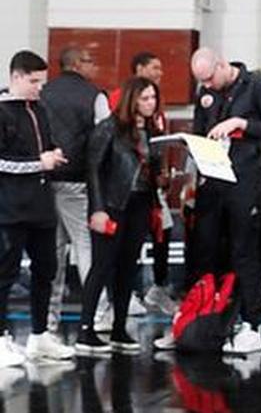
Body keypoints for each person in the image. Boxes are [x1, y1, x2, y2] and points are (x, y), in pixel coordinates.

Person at [186, 48, 261, 355]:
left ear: (223, 65)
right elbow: (199, 132)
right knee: (206, 251)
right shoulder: (207, 93)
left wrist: (241, 123)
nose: (209, 86)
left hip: (244, 180)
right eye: (203, 82)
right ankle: (201, 318)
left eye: (211, 78)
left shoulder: (256, 85)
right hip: (212, 182)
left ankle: (252, 323)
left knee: (244, 252)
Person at [74, 77, 162, 357]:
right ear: (132, 99)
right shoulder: (109, 128)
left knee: (128, 266)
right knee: (102, 265)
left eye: (153, 98)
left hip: (140, 202)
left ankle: (119, 327)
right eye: (145, 98)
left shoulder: (150, 129)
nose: (151, 103)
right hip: (112, 204)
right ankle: (85, 330)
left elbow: (149, 168)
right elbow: (94, 170)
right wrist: (98, 209)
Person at [0, 51, 73, 370]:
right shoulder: (2, 112)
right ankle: (1, 339)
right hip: (9, 208)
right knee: (5, 273)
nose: (39, 88)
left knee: (47, 269)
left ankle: (40, 334)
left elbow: (45, 147)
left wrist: (52, 154)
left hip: (42, 206)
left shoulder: (39, 110)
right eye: (33, 81)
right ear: (15, 77)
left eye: (41, 81)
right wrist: (37, 163)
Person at [40, 43, 111, 336]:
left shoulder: (42, 93)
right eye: (90, 61)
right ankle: (99, 314)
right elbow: (106, 141)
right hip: (78, 182)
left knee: (51, 255)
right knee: (86, 249)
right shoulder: (95, 97)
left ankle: (47, 319)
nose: (95, 66)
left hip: (43, 181)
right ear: (78, 64)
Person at [110, 52, 178, 316]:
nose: (160, 73)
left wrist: (162, 172)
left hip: (150, 184)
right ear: (138, 69)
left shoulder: (157, 107)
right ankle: (127, 293)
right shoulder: (119, 100)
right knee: (128, 242)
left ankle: (157, 287)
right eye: (154, 67)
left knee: (164, 230)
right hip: (127, 187)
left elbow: (157, 143)